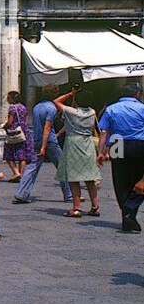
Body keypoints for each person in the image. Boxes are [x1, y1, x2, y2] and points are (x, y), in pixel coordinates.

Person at [97, 81, 144, 233]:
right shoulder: (142, 108)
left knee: (121, 180)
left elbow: (104, 132)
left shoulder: (111, 109)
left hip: (117, 144)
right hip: (139, 144)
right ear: (137, 94)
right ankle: (130, 210)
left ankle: (127, 214)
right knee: (139, 179)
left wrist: (101, 152)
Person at [13, 86, 72, 205]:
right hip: (49, 140)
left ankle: (21, 193)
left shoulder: (36, 107)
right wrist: (44, 147)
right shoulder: (51, 108)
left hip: (37, 138)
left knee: (32, 167)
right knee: (62, 166)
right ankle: (69, 194)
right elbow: (47, 127)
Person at [54, 87, 100, 217]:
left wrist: (70, 94)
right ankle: (95, 206)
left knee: (73, 178)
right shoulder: (92, 112)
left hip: (73, 143)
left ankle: (76, 207)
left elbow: (56, 101)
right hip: (87, 144)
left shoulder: (71, 112)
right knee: (90, 178)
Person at [2, 91, 31, 181]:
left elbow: (10, 121)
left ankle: (16, 172)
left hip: (14, 132)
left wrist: (4, 126)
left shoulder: (12, 108)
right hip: (23, 131)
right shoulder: (23, 107)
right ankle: (21, 174)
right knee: (22, 154)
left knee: (8, 153)